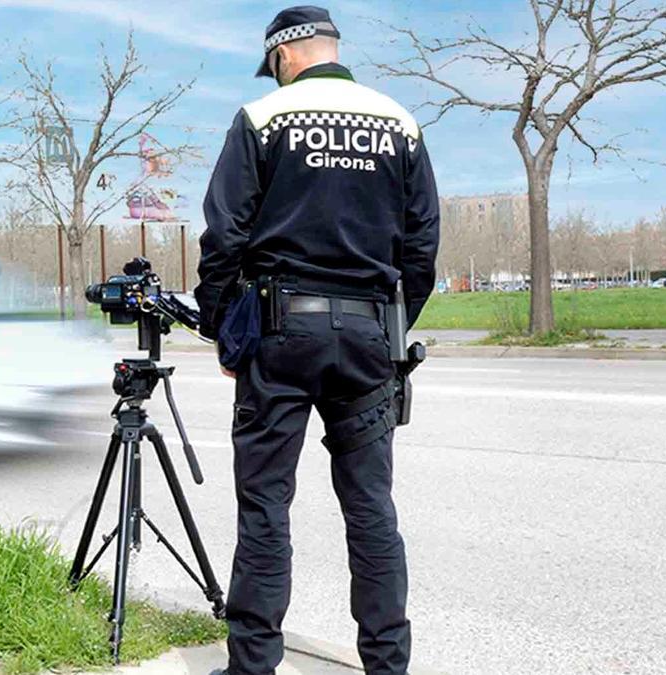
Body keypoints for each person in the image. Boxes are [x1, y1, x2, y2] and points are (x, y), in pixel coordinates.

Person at [195, 6, 440, 675]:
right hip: (366, 334)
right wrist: (391, 330)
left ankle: (252, 666)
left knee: (267, 503)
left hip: (281, 331)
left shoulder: (261, 120)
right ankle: (388, 665)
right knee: (371, 506)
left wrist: (224, 330)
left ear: (283, 55)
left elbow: (224, 237)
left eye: (272, 66)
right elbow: (421, 248)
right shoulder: (399, 123)